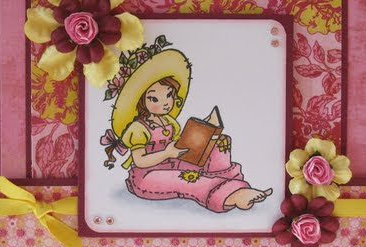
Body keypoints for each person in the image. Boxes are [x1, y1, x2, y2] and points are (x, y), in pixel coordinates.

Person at [105, 47, 272, 213]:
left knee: (219, 143)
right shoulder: (138, 128)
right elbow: (140, 161)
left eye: (169, 95)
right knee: (188, 180)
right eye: (154, 99)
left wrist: (201, 133)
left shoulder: (169, 121)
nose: (165, 103)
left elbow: (179, 144)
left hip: (174, 164)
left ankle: (230, 183)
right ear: (141, 101)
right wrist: (167, 153)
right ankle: (231, 196)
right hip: (148, 176)